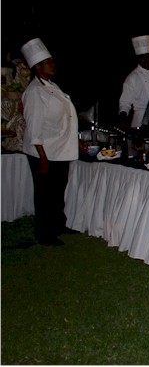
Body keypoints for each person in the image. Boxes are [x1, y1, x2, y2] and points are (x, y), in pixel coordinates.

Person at [20, 38, 79, 246]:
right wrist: (43, 158)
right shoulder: (35, 92)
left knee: (57, 190)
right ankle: (44, 233)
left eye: (52, 61)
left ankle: (57, 224)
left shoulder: (51, 86)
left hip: (58, 148)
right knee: (45, 193)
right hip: (43, 151)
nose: (53, 64)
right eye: (48, 62)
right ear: (38, 67)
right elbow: (34, 128)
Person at [118, 35, 149, 128]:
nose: (146, 60)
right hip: (140, 120)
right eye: (142, 57)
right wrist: (123, 120)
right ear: (137, 58)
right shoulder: (132, 77)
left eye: (148, 56)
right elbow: (125, 103)